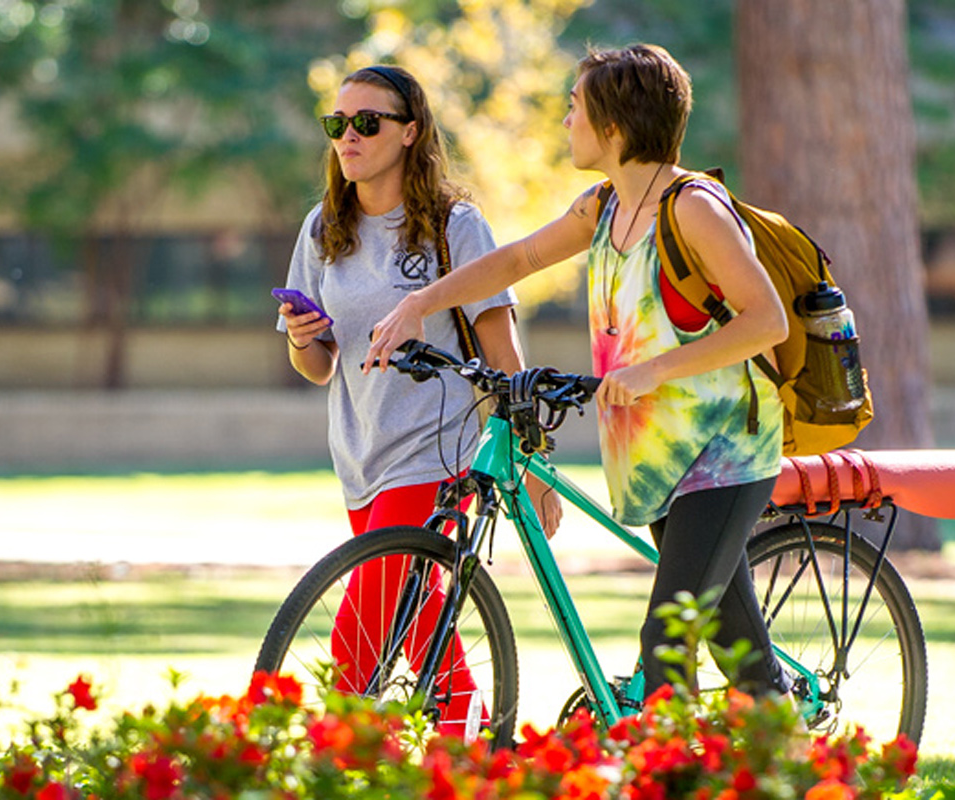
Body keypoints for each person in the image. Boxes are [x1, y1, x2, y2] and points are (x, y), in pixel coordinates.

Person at [365, 44, 792, 699]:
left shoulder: (694, 208)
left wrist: (656, 370)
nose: (565, 123)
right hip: (656, 452)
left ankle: (657, 775)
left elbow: (766, 321)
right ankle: (789, 763)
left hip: (724, 450)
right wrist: (421, 301)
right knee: (737, 648)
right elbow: (515, 262)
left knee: (666, 645)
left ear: (614, 127)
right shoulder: (601, 208)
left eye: (574, 108)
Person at [276, 64, 562, 734]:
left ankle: (328, 762)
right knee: (420, 627)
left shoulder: (454, 228)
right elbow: (318, 368)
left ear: (409, 132)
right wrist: (300, 336)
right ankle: (484, 757)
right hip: (360, 457)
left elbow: (503, 354)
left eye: (367, 123)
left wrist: (534, 463)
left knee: (358, 639)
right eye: (338, 124)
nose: (349, 136)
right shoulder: (323, 230)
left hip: (438, 455)